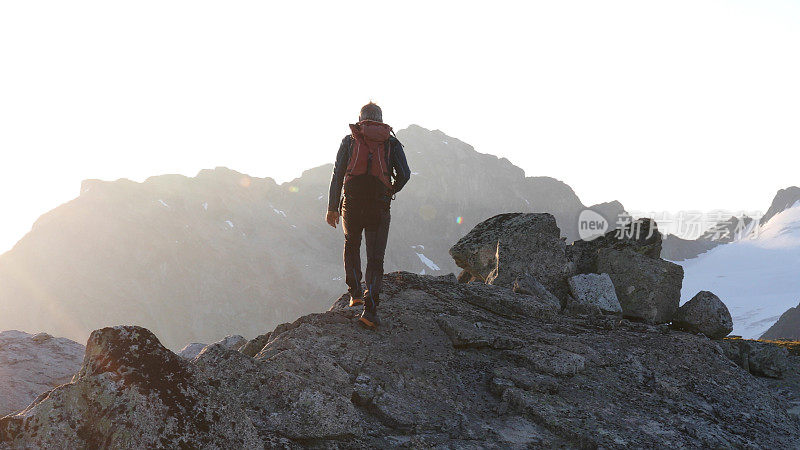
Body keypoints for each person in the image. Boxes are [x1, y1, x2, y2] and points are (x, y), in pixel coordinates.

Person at [326, 102, 411, 329]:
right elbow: (405, 174)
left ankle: (355, 293)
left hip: (352, 205)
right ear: (380, 120)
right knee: (375, 258)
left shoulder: (350, 140)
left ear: (361, 119)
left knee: (351, 244)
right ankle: (370, 311)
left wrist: (332, 207)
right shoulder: (390, 142)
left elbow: (337, 174)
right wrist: (390, 190)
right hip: (378, 207)